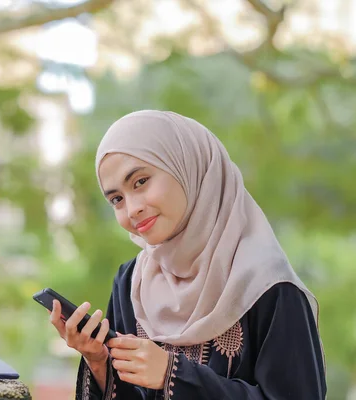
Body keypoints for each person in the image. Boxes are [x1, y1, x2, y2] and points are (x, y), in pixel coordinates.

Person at [48, 110, 326, 399]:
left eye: (140, 182)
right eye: (117, 199)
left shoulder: (269, 288)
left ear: (187, 168)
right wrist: (99, 361)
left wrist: (175, 375)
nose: (132, 209)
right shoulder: (132, 283)